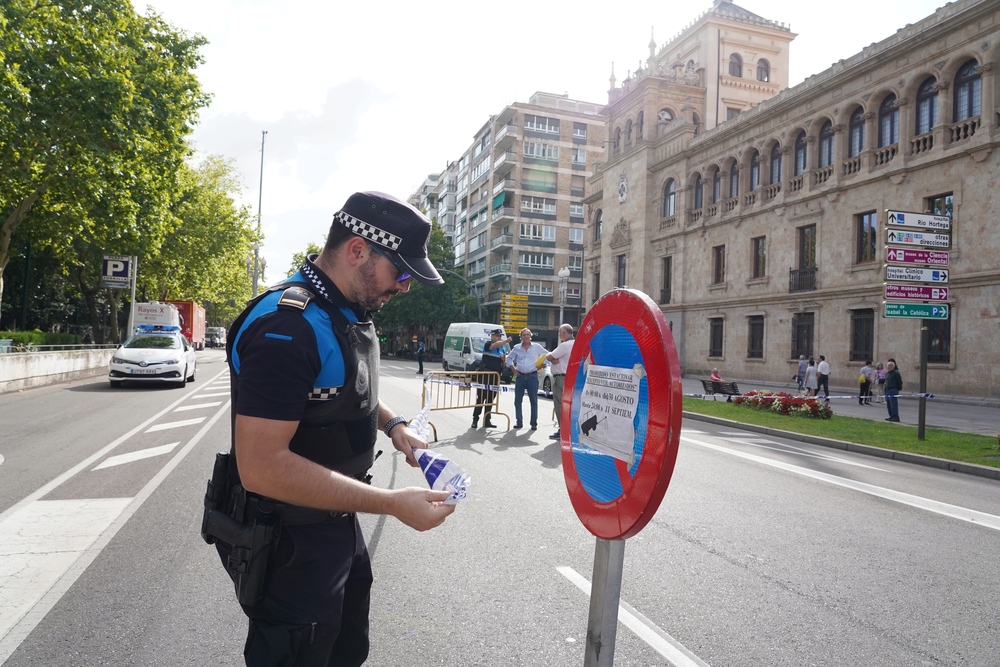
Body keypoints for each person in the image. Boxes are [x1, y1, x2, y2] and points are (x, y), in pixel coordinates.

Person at [214, 191, 455, 667]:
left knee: (344, 651)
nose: (404, 287)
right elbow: (261, 467)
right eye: (401, 272)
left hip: (334, 525)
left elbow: (345, 387)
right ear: (358, 250)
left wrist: (395, 425)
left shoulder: (342, 312)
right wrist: (389, 503)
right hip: (286, 544)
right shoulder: (287, 327)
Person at [506, 328, 548, 430]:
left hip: (532, 376)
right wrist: (513, 368)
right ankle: (519, 422)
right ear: (521, 337)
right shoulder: (516, 348)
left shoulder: (536, 347)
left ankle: (534, 423)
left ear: (530, 336)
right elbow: (509, 358)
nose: (526, 336)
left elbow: (548, 355)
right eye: (524, 335)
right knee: (517, 400)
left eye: (527, 335)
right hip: (520, 376)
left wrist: (542, 365)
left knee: (533, 400)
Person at [471, 329, 510, 428]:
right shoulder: (488, 344)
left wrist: (503, 361)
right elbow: (493, 346)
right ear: (492, 336)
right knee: (481, 397)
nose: (499, 338)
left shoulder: (501, 348)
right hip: (485, 375)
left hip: (495, 376)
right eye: (497, 336)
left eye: (500, 336)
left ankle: (487, 419)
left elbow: (504, 363)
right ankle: (475, 419)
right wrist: (506, 341)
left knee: (490, 399)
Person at [545, 324, 575, 440]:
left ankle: (562, 430)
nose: (559, 334)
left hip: (561, 378)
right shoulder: (575, 343)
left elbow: (548, 356)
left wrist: (552, 358)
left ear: (564, 333)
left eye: (559, 332)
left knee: (559, 405)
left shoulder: (565, 345)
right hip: (569, 377)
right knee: (567, 405)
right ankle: (567, 430)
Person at [885, 358, 903, 422]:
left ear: (893, 366)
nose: (889, 367)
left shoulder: (896, 373)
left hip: (893, 390)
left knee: (893, 404)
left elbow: (899, 382)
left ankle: (895, 417)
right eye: (888, 366)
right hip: (887, 390)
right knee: (889, 404)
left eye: (890, 366)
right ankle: (891, 416)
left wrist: (898, 389)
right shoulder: (888, 373)